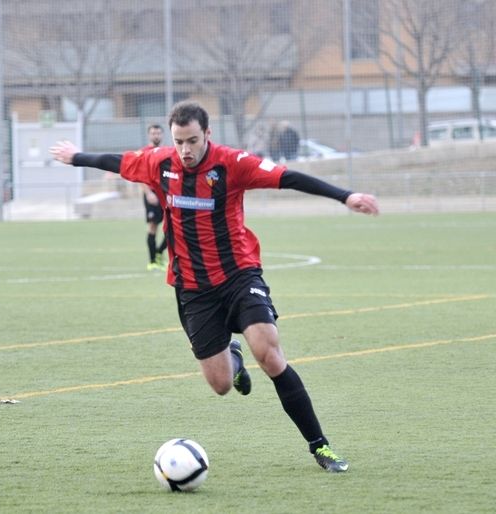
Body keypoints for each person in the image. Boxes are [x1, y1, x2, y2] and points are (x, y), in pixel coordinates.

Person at [50, 101, 379, 473]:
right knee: (221, 384)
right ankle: (231, 356)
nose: (186, 150)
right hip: (193, 288)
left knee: (269, 354)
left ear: (208, 134)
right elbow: (114, 160)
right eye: (179, 142)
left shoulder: (233, 163)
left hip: (239, 274)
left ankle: (321, 447)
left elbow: (289, 178)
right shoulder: (160, 163)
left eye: (192, 140)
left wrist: (345, 196)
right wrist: (75, 156)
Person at [141, 124, 167, 270]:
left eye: (158, 133)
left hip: (165, 194)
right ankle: (152, 261)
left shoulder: (166, 151)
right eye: (153, 133)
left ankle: (159, 252)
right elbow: (140, 176)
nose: (156, 136)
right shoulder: (144, 152)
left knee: (172, 227)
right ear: (149, 135)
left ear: (162, 135)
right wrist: (148, 193)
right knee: (153, 227)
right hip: (151, 194)